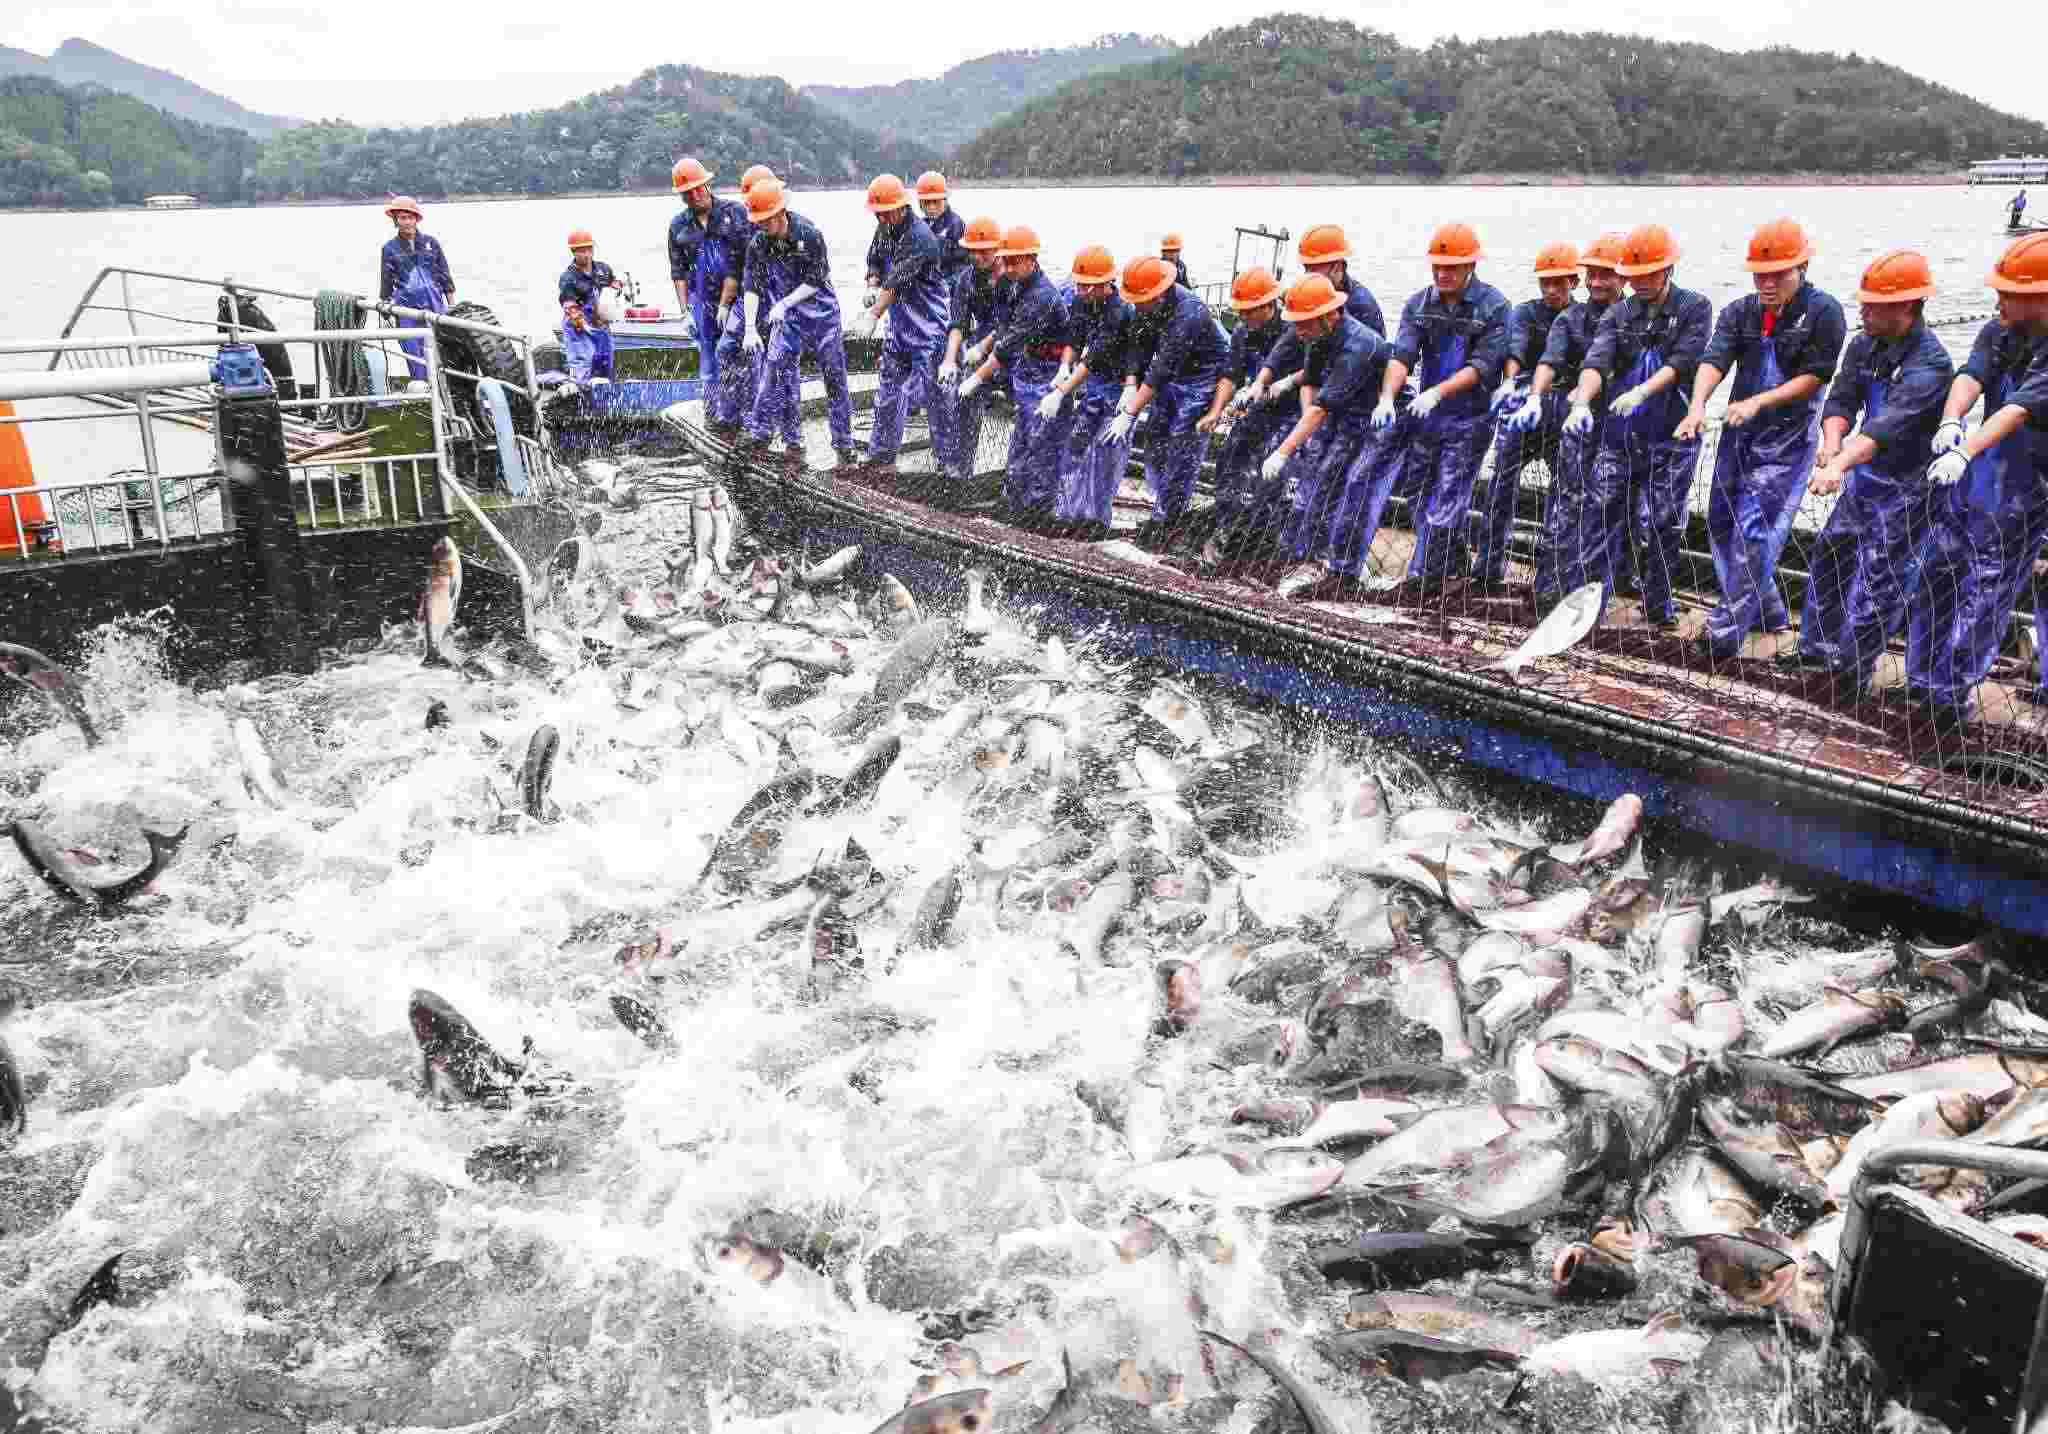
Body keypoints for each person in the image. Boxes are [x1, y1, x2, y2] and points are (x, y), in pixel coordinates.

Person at [1678, 218, 1847, 659]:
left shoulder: (1825, 312)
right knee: (1720, 521)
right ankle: (1769, 614)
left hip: (1787, 442)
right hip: (1740, 434)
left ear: (1802, 267)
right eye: (1760, 275)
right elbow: (1715, 359)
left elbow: (1815, 378)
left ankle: (1724, 634)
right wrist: (1697, 405)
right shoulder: (1740, 312)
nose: (1767, 284)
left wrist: (1759, 402)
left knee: (1754, 532)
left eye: (1778, 275)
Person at [1788, 249, 1952, 698]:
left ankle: (1852, 672)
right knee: (1832, 552)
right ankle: (1817, 648)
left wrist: (1839, 465)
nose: (1863, 311)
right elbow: (1842, 399)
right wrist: (1831, 443)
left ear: (1908, 306)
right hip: (1863, 476)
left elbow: (1885, 428)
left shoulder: (1932, 365)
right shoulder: (1863, 344)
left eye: (1874, 305)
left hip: (1908, 490)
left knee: (1882, 580)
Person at [1910, 232, 2048, 720]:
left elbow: (2018, 409)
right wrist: (1952, 418)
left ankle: (1953, 693)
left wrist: (1965, 452)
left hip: (2034, 485)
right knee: (1939, 571)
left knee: (1992, 590)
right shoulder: (1999, 331)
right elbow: (1973, 374)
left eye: (2009, 292)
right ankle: (1923, 679)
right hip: (1989, 478)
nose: (1998, 299)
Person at [1563, 222, 1714, 630]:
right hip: (1620, 437)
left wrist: (1643, 392)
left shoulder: (1695, 307)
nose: (1641, 282)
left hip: (1673, 436)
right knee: (1600, 514)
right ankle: (1591, 604)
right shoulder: (1618, 313)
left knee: (1663, 521)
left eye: (1650, 274)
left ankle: (1658, 606)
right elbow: (1597, 361)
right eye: (1634, 275)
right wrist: (1582, 402)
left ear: (1668, 270)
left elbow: (1683, 361)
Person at [1354, 222, 1510, 587]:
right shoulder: (1419, 304)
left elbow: (1483, 366)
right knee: (1417, 495)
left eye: (1451, 267)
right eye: (1437, 267)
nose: (1443, 274)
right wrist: (1387, 398)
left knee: (1447, 498)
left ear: (1471, 265)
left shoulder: (1495, 307)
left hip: (1471, 418)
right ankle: (1454, 562)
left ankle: (1425, 578)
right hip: (1429, 418)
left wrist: (1438, 392)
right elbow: (1402, 355)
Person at [1247, 274, 1392, 598]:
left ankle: (1340, 569)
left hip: (1375, 417)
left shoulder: (1359, 345)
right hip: (1339, 410)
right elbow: (1311, 384)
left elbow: (1321, 408)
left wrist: (1283, 451)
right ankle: (1302, 554)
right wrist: (1308, 434)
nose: (1298, 332)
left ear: (1329, 315)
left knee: (1349, 484)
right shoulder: (1315, 336)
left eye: (1303, 324)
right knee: (1314, 473)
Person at [1514, 231, 1628, 606]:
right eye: (1591, 274)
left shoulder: (1633, 318)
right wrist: (1534, 396)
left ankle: (1600, 594)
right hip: (1577, 426)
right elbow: (1550, 359)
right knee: (1567, 503)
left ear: (1624, 276)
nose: (1596, 282)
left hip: (1621, 429)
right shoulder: (1570, 317)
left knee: (1613, 512)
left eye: (1605, 274)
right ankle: (1550, 592)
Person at [1472, 241, 1580, 590]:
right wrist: (1509, 382)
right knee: (1501, 482)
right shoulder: (1525, 313)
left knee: (1565, 491)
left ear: (1574, 282)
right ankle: (1487, 569)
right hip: (1525, 407)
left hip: (1563, 411)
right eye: (1545, 282)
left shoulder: (1582, 317)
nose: (1551, 290)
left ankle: (1550, 578)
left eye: (1558, 282)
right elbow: (1515, 348)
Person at [735, 178, 854, 473]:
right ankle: (770, 434)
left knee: (834, 378)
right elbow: (751, 286)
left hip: (822, 315)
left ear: (780, 212)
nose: (762, 225)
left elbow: (816, 279)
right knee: (774, 370)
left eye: (766, 219)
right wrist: (749, 327)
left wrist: (785, 303)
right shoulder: (758, 243)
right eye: (758, 220)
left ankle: (844, 443)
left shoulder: (809, 234)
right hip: (788, 318)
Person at [958, 224, 1070, 527]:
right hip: (1028, 369)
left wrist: (977, 377)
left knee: (1042, 444)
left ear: (1031, 260)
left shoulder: (1042, 296)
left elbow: (1009, 346)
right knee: (1020, 440)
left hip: (1050, 374)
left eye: (1013, 262)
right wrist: (982, 346)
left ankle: (1039, 512)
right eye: (1005, 261)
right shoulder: (1013, 284)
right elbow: (1003, 327)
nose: (1007, 268)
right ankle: (1013, 500)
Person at [1116, 256, 1228, 549]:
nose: (1136, 306)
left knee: (1182, 445)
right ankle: (1160, 501)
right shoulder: (1145, 307)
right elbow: (1138, 346)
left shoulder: (1189, 312)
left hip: (1202, 376)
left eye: (1140, 301)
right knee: (1155, 436)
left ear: (1158, 294)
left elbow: (1162, 367)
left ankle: (1167, 520)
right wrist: (1130, 383)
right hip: (1173, 376)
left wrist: (1129, 412)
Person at [854, 174, 949, 479]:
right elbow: (875, 260)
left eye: (886, 212)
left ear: (902, 206)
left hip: (928, 326)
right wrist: (871, 285)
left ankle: (949, 463)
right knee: (889, 391)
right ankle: (881, 456)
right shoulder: (884, 228)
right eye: (877, 213)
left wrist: (873, 315)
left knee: (936, 395)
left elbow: (897, 281)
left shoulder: (920, 236)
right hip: (899, 326)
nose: (881, 218)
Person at [1201, 266, 1294, 572]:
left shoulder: (1294, 328)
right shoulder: (1242, 332)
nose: (1242, 317)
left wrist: (1281, 385)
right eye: (1239, 311)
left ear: (1268, 305)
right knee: (1229, 459)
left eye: (1247, 311)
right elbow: (1231, 374)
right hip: (1259, 409)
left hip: (1293, 412)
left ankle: (1271, 544)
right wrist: (1216, 411)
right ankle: (1228, 527)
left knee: (1272, 476)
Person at [1045, 245, 1139, 539]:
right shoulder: (1080, 300)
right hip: (1095, 384)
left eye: (1088, 286)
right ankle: (1065, 512)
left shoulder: (1121, 311)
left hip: (1120, 387)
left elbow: (1094, 356)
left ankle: (1095, 520)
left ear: (1106, 283)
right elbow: (1075, 339)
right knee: (1075, 444)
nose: (1082, 291)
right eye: (1080, 285)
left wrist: (1061, 392)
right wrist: (1064, 366)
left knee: (1107, 453)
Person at [666, 157, 752, 437]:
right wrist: (684, 311)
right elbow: (678, 272)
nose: (694, 196)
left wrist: (727, 304)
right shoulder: (678, 226)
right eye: (687, 193)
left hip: (736, 296)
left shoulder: (735, 213)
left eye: (697, 189)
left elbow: (742, 263)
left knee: (733, 353)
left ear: (707, 185)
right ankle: (715, 418)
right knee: (708, 361)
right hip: (700, 299)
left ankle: (743, 415)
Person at [928, 215, 1007, 501]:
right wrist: (950, 360)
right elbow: (958, 323)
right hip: (983, 341)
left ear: (998, 248)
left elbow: (1012, 324)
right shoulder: (966, 279)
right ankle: (959, 469)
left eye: (985, 251)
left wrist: (984, 347)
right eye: (973, 251)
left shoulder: (1012, 277)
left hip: (1016, 344)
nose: (978, 256)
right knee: (963, 393)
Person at [379, 197, 454, 383]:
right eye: (402, 218)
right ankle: (423, 389)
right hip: (406, 311)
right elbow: (386, 282)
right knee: (415, 356)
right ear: (396, 220)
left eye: (410, 217)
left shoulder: (431, 243)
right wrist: (385, 309)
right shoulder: (389, 248)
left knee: (443, 353)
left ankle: (445, 390)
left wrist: (452, 307)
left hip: (435, 306)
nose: (406, 222)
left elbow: (445, 276)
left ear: (416, 219)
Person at [558, 229, 622, 385]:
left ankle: (606, 391)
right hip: (578, 327)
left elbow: (614, 285)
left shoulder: (603, 269)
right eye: (581, 251)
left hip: (601, 324)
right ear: (574, 252)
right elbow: (570, 307)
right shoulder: (568, 278)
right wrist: (582, 324)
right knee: (585, 364)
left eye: (589, 249)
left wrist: (618, 288)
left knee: (606, 362)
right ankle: (582, 390)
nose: (586, 254)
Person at [917, 172, 969, 282]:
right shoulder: (920, 225)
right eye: (927, 202)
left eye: (936, 202)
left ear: (945, 200)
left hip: (948, 282)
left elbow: (961, 264)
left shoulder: (956, 224)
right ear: (920, 203)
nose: (931, 207)